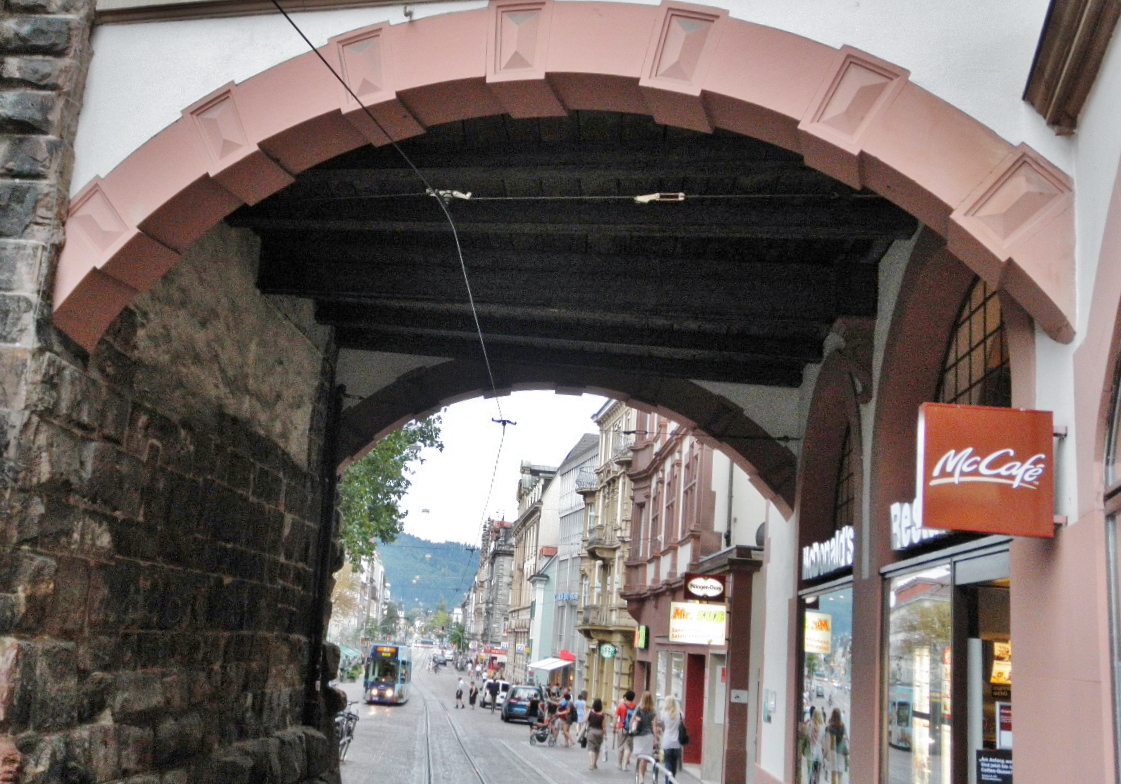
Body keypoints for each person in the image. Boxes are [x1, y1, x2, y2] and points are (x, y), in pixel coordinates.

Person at [630, 692, 658, 782]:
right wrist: (656, 738)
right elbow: (654, 726)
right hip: (648, 736)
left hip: (638, 735)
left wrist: (633, 725)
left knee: (639, 756)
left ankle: (640, 775)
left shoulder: (638, 708)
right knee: (645, 758)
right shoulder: (653, 710)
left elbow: (632, 720)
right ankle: (642, 776)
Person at [658, 695, 683, 778]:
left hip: (667, 741)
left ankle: (667, 780)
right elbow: (682, 724)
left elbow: (662, 727)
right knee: (674, 764)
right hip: (676, 742)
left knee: (667, 763)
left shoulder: (664, 714)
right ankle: (672, 779)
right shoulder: (679, 714)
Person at [823, 708, 849, 784]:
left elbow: (826, 742)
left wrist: (825, 755)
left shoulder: (829, 728)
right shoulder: (843, 726)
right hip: (841, 752)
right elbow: (845, 738)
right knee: (840, 776)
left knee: (833, 776)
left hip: (832, 753)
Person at [614, 690, 636, 770]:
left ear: (625, 697)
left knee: (620, 746)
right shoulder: (635, 707)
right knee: (628, 748)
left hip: (621, 727)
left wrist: (614, 726)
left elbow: (616, 717)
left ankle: (619, 764)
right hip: (631, 729)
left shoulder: (621, 706)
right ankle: (625, 765)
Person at [586, 698, 606, 770]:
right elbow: (604, 726)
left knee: (591, 747)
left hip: (591, 731)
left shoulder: (590, 712)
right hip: (600, 732)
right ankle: (595, 763)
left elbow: (585, 720)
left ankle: (591, 763)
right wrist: (605, 735)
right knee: (597, 749)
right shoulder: (603, 715)